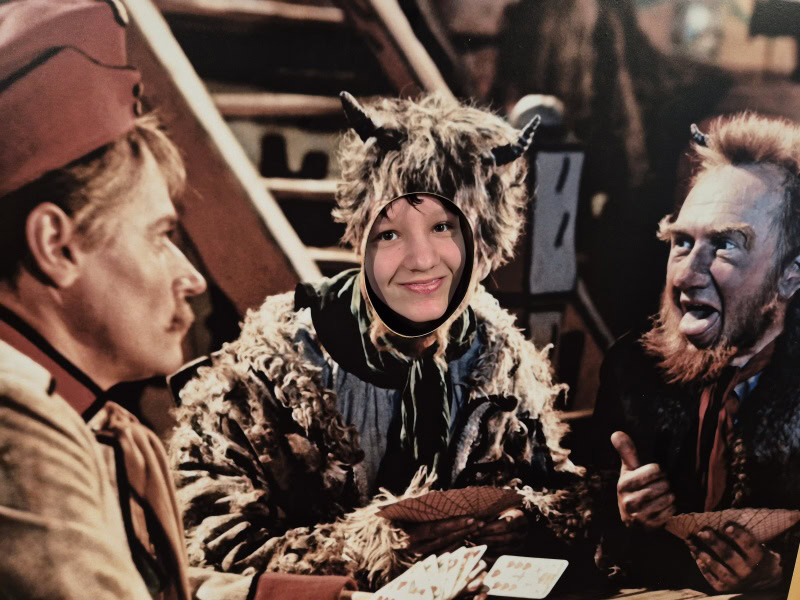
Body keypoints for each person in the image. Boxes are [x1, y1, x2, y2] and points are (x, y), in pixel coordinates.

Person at [0, 1, 355, 598]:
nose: (191, 278)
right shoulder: (17, 423)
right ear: (56, 245)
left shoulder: (80, 414)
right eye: (160, 236)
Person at [168, 92, 592, 590]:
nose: (421, 259)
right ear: (362, 233)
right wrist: (370, 549)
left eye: (445, 229)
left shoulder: (502, 365)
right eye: (391, 233)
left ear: (486, 245)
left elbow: (564, 496)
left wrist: (528, 524)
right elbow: (204, 543)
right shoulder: (273, 367)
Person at [591, 113, 800, 594]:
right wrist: (620, 517)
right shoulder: (632, 370)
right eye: (682, 242)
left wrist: (775, 579)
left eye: (724, 245)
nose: (686, 274)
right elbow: (580, 527)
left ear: (790, 275)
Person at [364, 192, 469, 334]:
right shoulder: (333, 322)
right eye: (388, 236)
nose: (423, 263)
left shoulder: (489, 337)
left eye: (441, 227)